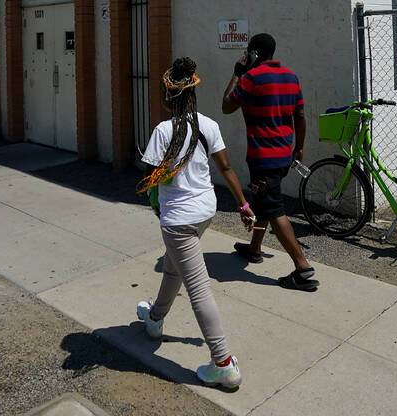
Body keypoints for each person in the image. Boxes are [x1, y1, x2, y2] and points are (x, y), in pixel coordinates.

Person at [136, 56, 256, 391]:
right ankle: (155, 317)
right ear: (193, 93)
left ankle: (223, 363)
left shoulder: (163, 131)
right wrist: (243, 205)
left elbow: (149, 178)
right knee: (174, 268)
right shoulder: (210, 126)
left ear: (168, 95)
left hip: (177, 220)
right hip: (205, 214)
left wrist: (161, 183)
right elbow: (227, 169)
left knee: (198, 288)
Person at [221, 32, 319, 292]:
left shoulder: (251, 78)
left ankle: (302, 268)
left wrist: (237, 73)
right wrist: (299, 147)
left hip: (262, 157)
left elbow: (226, 106)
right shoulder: (291, 77)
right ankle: (254, 248)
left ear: (253, 53)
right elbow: (300, 116)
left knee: (274, 208)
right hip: (284, 156)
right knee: (264, 201)